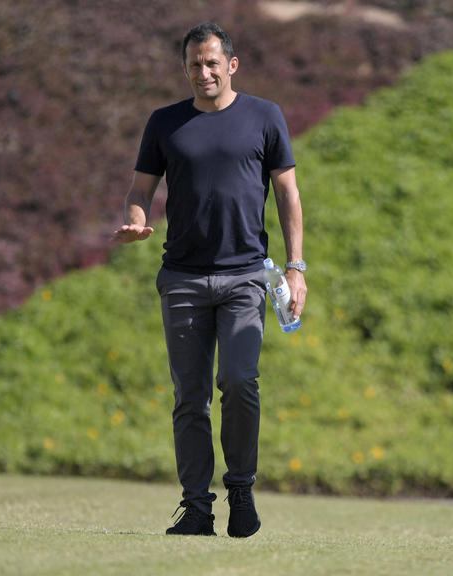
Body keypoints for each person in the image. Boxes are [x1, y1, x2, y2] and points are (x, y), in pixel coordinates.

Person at [113, 22, 307, 538]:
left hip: (245, 275)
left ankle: (240, 489)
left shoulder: (264, 116)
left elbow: (288, 194)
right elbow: (140, 188)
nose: (204, 72)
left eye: (212, 63)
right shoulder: (165, 123)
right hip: (182, 279)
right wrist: (135, 219)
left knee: (240, 381)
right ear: (185, 69)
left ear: (231, 65)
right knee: (190, 395)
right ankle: (197, 506)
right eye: (195, 65)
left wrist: (296, 267)